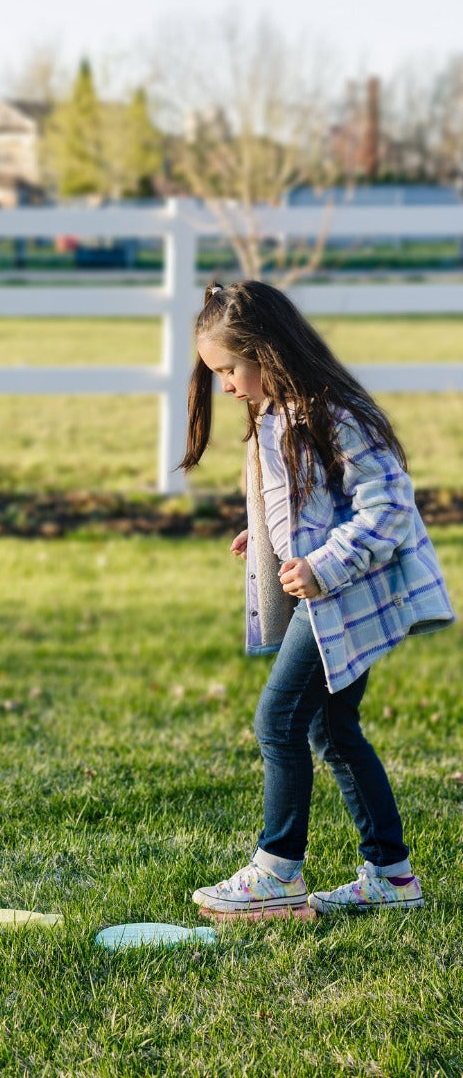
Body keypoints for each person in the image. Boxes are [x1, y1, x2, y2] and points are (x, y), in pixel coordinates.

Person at [179, 281, 454, 917]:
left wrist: (324, 565)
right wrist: (270, 535)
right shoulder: (279, 410)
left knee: (279, 719)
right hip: (329, 591)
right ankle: (392, 878)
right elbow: (310, 497)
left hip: (344, 596)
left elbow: (387, 508)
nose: (223, 385)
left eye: (228, 368)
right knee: (333, 729)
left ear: (266, 351)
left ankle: (278, 870)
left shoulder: (335, 412)